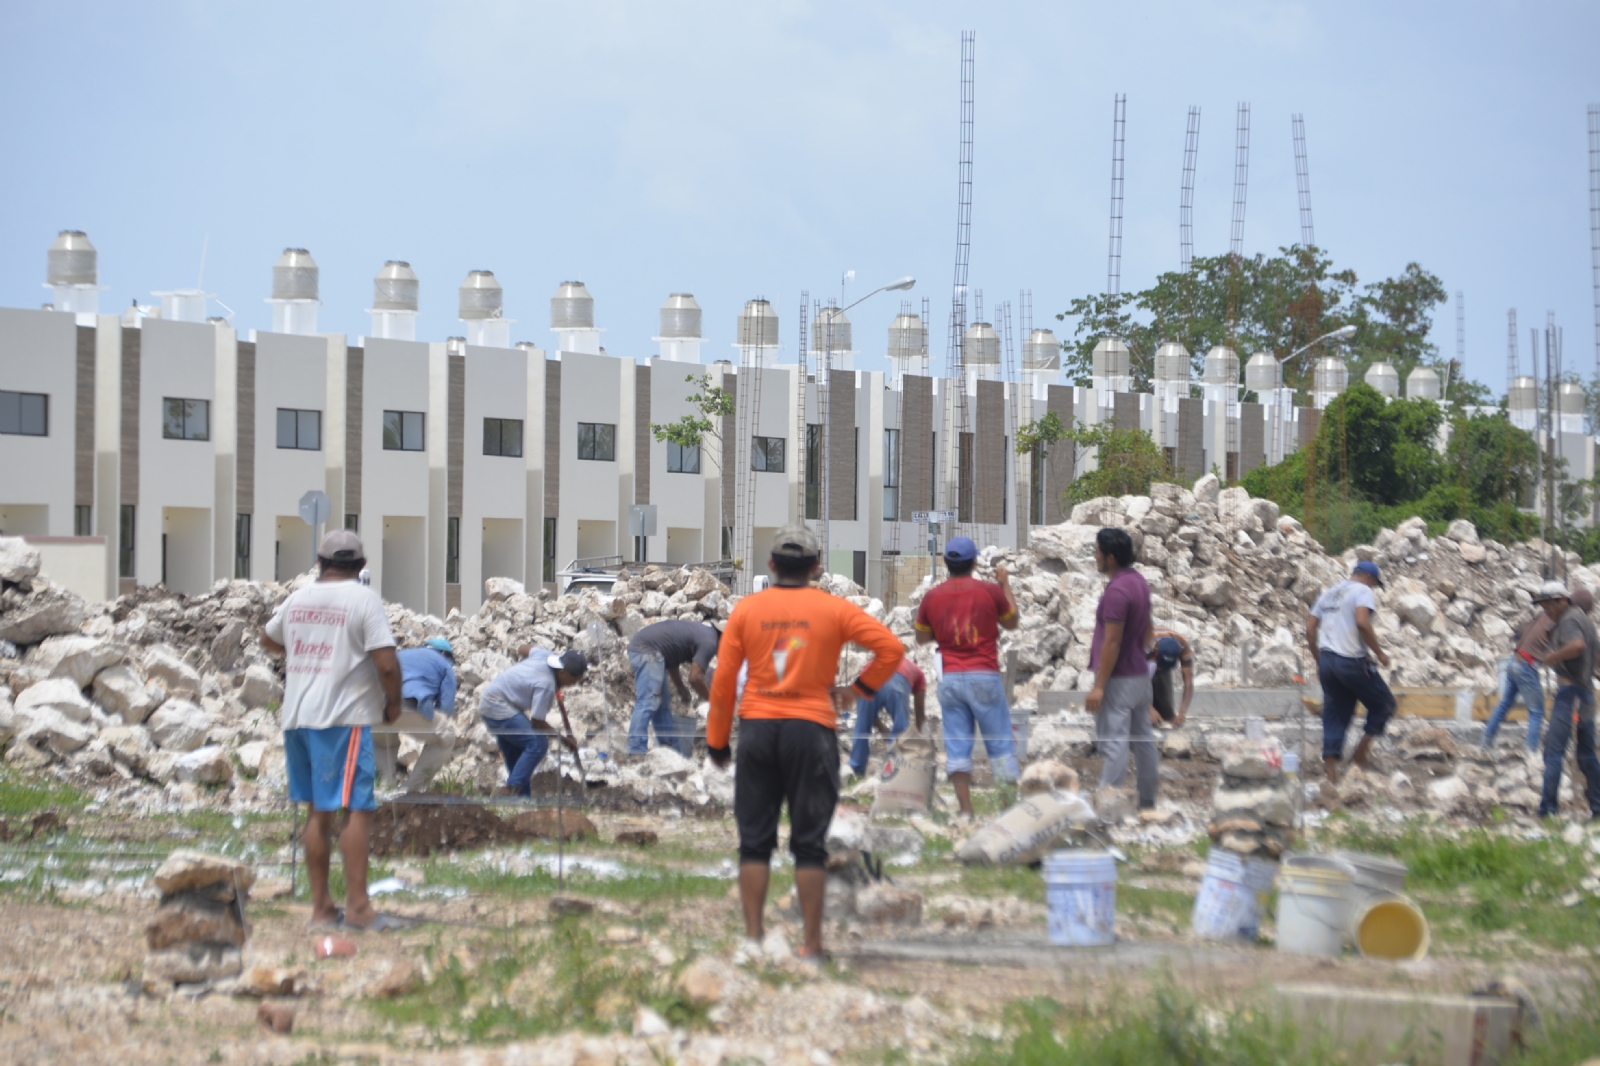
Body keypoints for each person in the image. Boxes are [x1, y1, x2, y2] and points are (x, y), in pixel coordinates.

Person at [708, 525, 903, 963]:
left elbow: (723, 683)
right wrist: (858, 690)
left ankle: (754, 940)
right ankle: (812, 946)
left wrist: (717, 741)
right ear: (817, 566)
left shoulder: (746, 610)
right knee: (809, 845)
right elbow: (890, 649)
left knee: (754, 843)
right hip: (812, 730)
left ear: (772, 565)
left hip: (758, 728)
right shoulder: (834, 609)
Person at [259, 530, 402, 931]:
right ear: (360, 567)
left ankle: (322, 909)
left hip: (298, 718)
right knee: (357, 809)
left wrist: (307, 648)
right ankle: (358, 908)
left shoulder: (298, 598)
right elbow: (387, 664)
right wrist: (392, 703)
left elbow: (267, 639)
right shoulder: (364, 600)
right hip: (342, 717)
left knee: (317, 814)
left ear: (319, 563)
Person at [914, 536, 1020, 818]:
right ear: (974, 562)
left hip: (950, 677)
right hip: (984, 675)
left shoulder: (932, 596)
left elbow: (922, 637)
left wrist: (944, 631)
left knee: (958, 745)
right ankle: (1008, 809)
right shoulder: (989, 591)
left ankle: (965, 811)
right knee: (1000, 744)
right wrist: (1004, 583)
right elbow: (1012, 622)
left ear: (946, 564)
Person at [1085, 527, 1158, 809]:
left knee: (1114, 743)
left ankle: (1107, 804)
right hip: (1140, 675)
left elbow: (1112, 641)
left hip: (1120, 679)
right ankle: (1148, 799)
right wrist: (1142, 652)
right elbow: (1148, 629)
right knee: (1143, 742)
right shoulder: (1139, 582)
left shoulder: (1117, 591)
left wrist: (1099, 686)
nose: (1095, 557)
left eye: (1097, 552)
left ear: (1111, 558)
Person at [1306, 559, 1396, 785]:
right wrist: (1380, 653)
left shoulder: (1329, 592)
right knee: (1384, 704)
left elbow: (1309, 627)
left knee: (1335, 713)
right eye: (1374, 584)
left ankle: (1331, 775)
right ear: (1369, 578)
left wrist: (1319, 661)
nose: (1373, 588)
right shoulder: (1362, 590)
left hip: (1327, 660)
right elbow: (1363, 623)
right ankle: (1359, 756)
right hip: (1350, 661)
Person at [478, 645, 588, 796]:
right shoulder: (546, 685)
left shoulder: (546, 655)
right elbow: (537, 722)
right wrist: (563, 739)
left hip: (495, 700)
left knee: (519, 759)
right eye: (574, 679)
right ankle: (509, 790)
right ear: (562, 672)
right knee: (537, 744)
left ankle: (522, 800)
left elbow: (522, 648)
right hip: (497, 706)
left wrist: (525, 674)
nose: (574, 684)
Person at [1533, 581, 1600, 820]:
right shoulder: (1587, 623)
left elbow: (1578, 646)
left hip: (1569, 696)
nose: (1545, 611)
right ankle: (1598, 809)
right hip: (1587, 697)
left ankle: (1548, 810)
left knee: (1553, 752)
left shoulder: (1570, 620)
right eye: (1542, 606)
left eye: (1548, 605)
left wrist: (1553, 656)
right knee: (1586, 755)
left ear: (1562, 600)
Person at [374, 637, 458, 793]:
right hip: (408, 705)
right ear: (443, 653)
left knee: (382, 743)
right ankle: (410, 790)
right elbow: (445, 709)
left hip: (375, 710)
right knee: (446, 737)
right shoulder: (444, 664)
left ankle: (384, 789)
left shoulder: (401, 654)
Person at [627, 619, 719, 757]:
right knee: (648, 701)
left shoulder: (703, 634)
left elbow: (672, 659)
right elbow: (695, 677)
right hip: (646, 649)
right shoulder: (710, 642)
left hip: (653, 650)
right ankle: (636, 750)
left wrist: (680, 686)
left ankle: (671, 752)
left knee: (662, 706)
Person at [1481, 601, 1553, 753]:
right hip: (1526, 664)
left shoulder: (1542, 615)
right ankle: (1531, 752)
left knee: (1505, 703)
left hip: (1515, 659)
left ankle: (1485, 743)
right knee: (1537, 711)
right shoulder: (1555, 619)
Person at [847, 657, 927, 777]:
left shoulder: (880, 659)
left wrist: (882, 728)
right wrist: (922, 743)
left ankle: (855, 770)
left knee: (862, 726)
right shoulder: (919, 674)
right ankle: (894, 772)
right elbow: (920, 714)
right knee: (900, 729)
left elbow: (869, 712)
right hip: (897, 682)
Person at [1147, 629, 1194, 729]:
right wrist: (1149, 709)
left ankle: (1163, 714)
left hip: (1156, 657)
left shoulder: (1184, 647)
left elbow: (1188, 683)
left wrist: (1182, 712)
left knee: (1162, 678)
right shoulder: (1145, 643)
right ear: (1156, 653)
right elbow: (1136, 682)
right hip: (1141, 661)